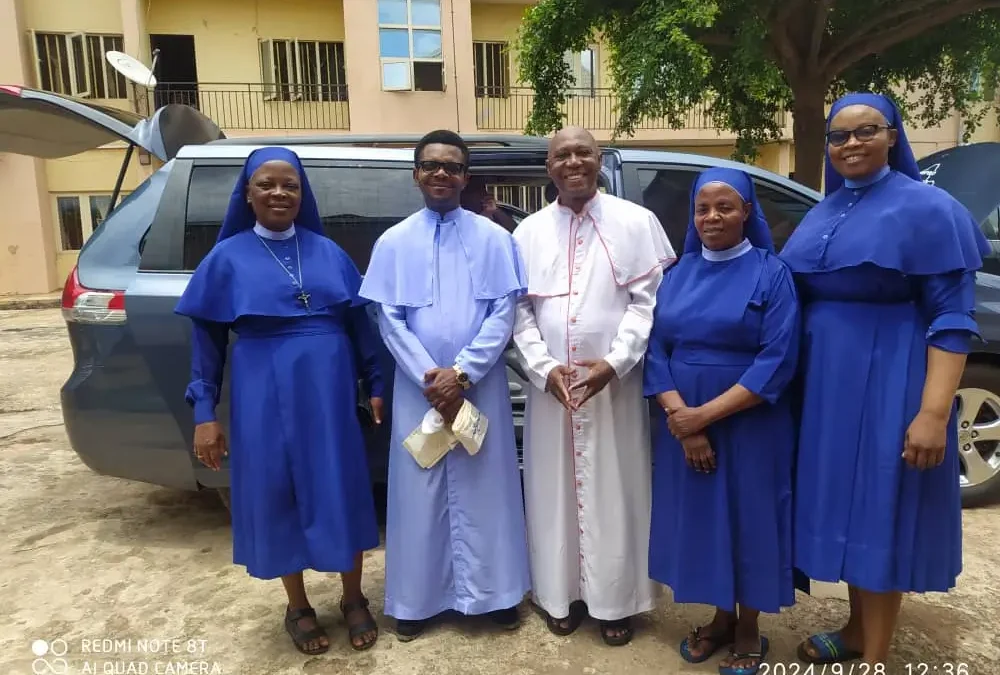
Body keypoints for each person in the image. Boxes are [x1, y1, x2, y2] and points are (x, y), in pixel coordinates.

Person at [779, 93, 989, 667]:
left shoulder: (929, 208)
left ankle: (874, 658)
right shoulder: (826, 209)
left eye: (866, 131)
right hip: (827, 388)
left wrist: (934, 413)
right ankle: (853, 631)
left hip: (891, 379)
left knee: (879, 509)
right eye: (839, 136)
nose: (851, 144)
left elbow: (951, 319)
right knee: (845, 512)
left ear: (894, 135)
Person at [174, 147, 385, 654]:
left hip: (328, 394)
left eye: (289, 185)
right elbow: (206, 347)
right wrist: (205, 415)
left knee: (340, 484)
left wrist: (377, 383)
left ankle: (353, 597)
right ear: (247, 194)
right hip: (261, 392)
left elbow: (362, 326)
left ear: (301, 193)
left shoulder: (328, 252)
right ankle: (298, 605)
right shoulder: (225, 258)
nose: (278, 193)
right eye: (266, 184)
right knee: (278, 490)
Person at [359, 129, 531, 641]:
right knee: (419, 488)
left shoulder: (496, 239)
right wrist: (429, 377)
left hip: (477, 386)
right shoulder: (393, 242)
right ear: (416, 174)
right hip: (419, 390)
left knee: (488, 487)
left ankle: (496, 594)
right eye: (431, 165)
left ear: (465, 176)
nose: (441, 173)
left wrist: (462, 374)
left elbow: (505, 312)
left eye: (452, 166)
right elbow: (387, 317)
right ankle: (416, 600)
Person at [512, 126, 675, 646]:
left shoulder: (636, 222)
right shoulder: (527, 232)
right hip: (550, 391)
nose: (573, 161)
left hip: (615, 389)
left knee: (615, 489)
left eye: (584, 151)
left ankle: (616, 601)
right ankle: (558, 595)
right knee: (551, 490)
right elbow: (517, 310)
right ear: (549, 166)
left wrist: (613, 364)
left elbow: (649, 304)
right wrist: (543, 368)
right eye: (562, 154)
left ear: (600, 159)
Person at [643, 167, 800, 675]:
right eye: (703, 208)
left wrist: (701, 418)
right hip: (682, 422)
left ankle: (749, 624)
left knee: (749, 518)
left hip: (749, 422)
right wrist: (680, 417)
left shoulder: (771, 274)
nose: (712, 217)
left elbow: (777, 358)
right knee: (706, 519)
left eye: (725, 207)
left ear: (747, 212)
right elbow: (655, 351)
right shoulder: (678, 273)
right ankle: (719, 616)